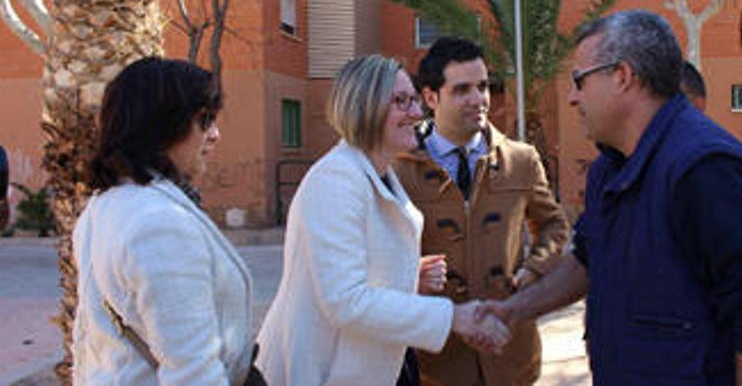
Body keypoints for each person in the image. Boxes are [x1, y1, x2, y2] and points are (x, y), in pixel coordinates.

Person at [478, 10, 742, 385]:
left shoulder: (705, 167)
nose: (571, 97)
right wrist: (514, 310)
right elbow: (585, 259)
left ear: (622, 76)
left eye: (578, 80)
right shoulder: (610, 168)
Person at [255, 55, 510, 386]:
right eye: (401, 102)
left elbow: (355, 271)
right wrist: (454, 317)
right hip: (325, 371)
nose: (417, 113)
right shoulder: (335, 179)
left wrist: (406, 275)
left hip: (377, 364)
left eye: (415, 100)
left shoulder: (375, 173)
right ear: (364, 107)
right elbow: (345, 300)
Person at [72, 57, 260, 385]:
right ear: (162, 125)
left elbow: (87, 338)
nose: (215, 134)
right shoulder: (159, 225)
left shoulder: (104, 205)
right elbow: (193, 373)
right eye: (204, 120)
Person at [395, 37, 569, 385]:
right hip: (435, 359)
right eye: (462, 90)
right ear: (431, 98)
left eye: (483, 86)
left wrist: (533, 272)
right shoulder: (398, 169)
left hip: (510, 352)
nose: (478, 99)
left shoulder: (521, 160)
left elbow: (553, 227)